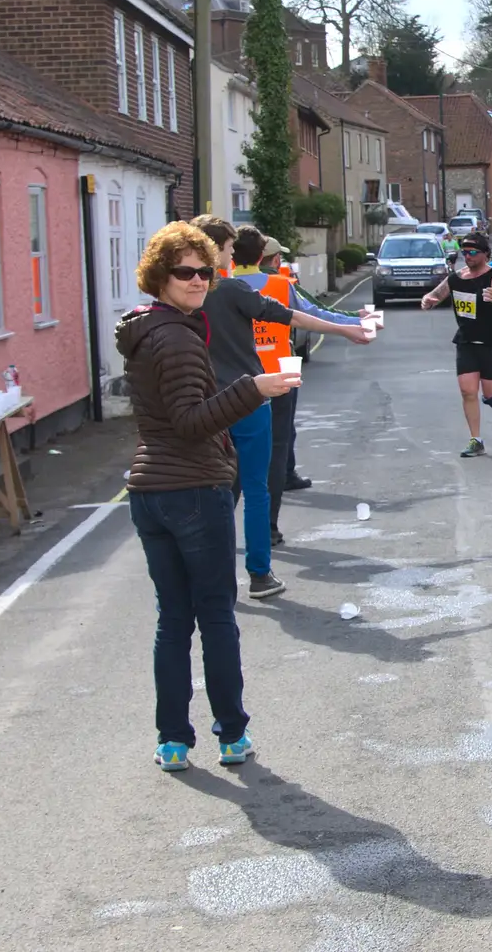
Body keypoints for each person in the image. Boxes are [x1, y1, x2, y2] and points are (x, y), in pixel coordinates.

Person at [116, 222, 298, 771]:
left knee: (172, 618)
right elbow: (193, 423)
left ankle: (173, 740)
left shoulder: (144, 331)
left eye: (205, 271)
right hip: (192, 488)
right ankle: (232, 736)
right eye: (185, 273)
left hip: (150, 490)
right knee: (215, 615)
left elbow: (166, 417)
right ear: (160, 278)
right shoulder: (177, 338)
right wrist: (253, 388)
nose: (198, 281)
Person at [194, 221, 368, 598]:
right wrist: (349, 328)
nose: (228, 255)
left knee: (213, 491)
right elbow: (293, 316)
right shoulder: (231, 291)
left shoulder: (182, 299)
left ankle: (209, 576)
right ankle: (259, 575)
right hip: (249, 396)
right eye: (225, 248)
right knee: (256, 487)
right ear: (215, 250)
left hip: (205, 405)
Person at [230, 235, 369, 544]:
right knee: (276, 450)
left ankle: (222, 525)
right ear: (268, 257)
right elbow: (312, 315)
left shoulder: (218, 286)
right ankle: (269, 526)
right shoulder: (280, 285)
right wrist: (349, 323)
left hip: (236, 377)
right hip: (280, 372)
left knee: (233, 452)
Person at [422, 230, 492, 456]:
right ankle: (476, 440)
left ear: (485, 255)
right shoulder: (456, 278)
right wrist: (428, 300)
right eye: (464, 252)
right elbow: (435, 294)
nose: (467, 256)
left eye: (472, 252)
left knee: (490, 396)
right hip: (466, 342)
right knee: (468, 391)